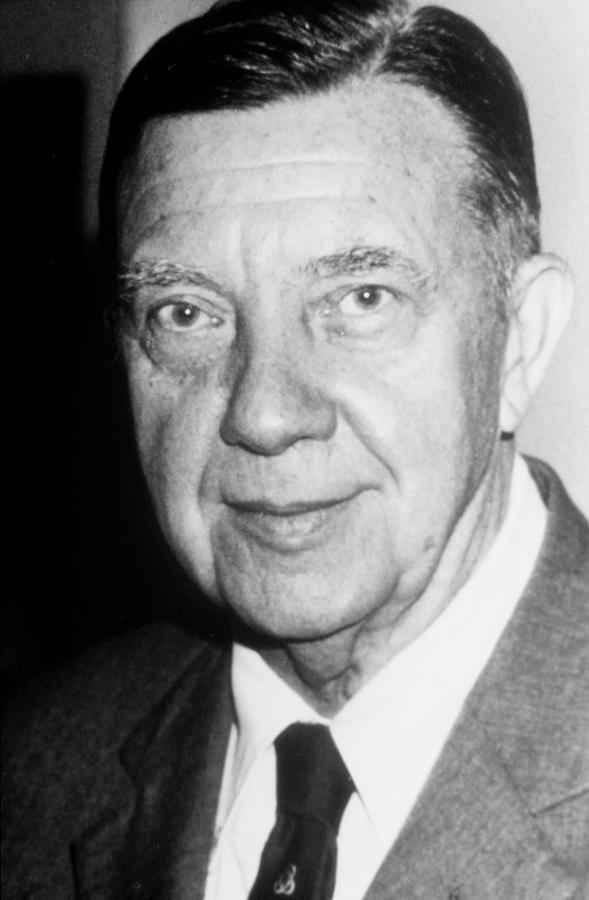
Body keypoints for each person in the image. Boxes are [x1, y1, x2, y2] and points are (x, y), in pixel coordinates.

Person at [3, 1, 588, 898]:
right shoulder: (35, 766)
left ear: (520, 340)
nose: (265, 415)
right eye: (186, 313)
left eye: (362, 299)